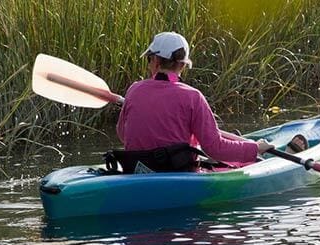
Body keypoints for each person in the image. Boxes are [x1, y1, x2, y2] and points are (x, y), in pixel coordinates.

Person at [112, 32, 272, 174]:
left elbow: (123, 135)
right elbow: (215, 148)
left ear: (155, 61)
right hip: (178, 174)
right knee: (241, 162)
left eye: (149, 59)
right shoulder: (193, 96)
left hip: (138, 171)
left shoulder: (134, 90)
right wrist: (255, 148)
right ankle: (286, 151)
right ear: (182, 64)